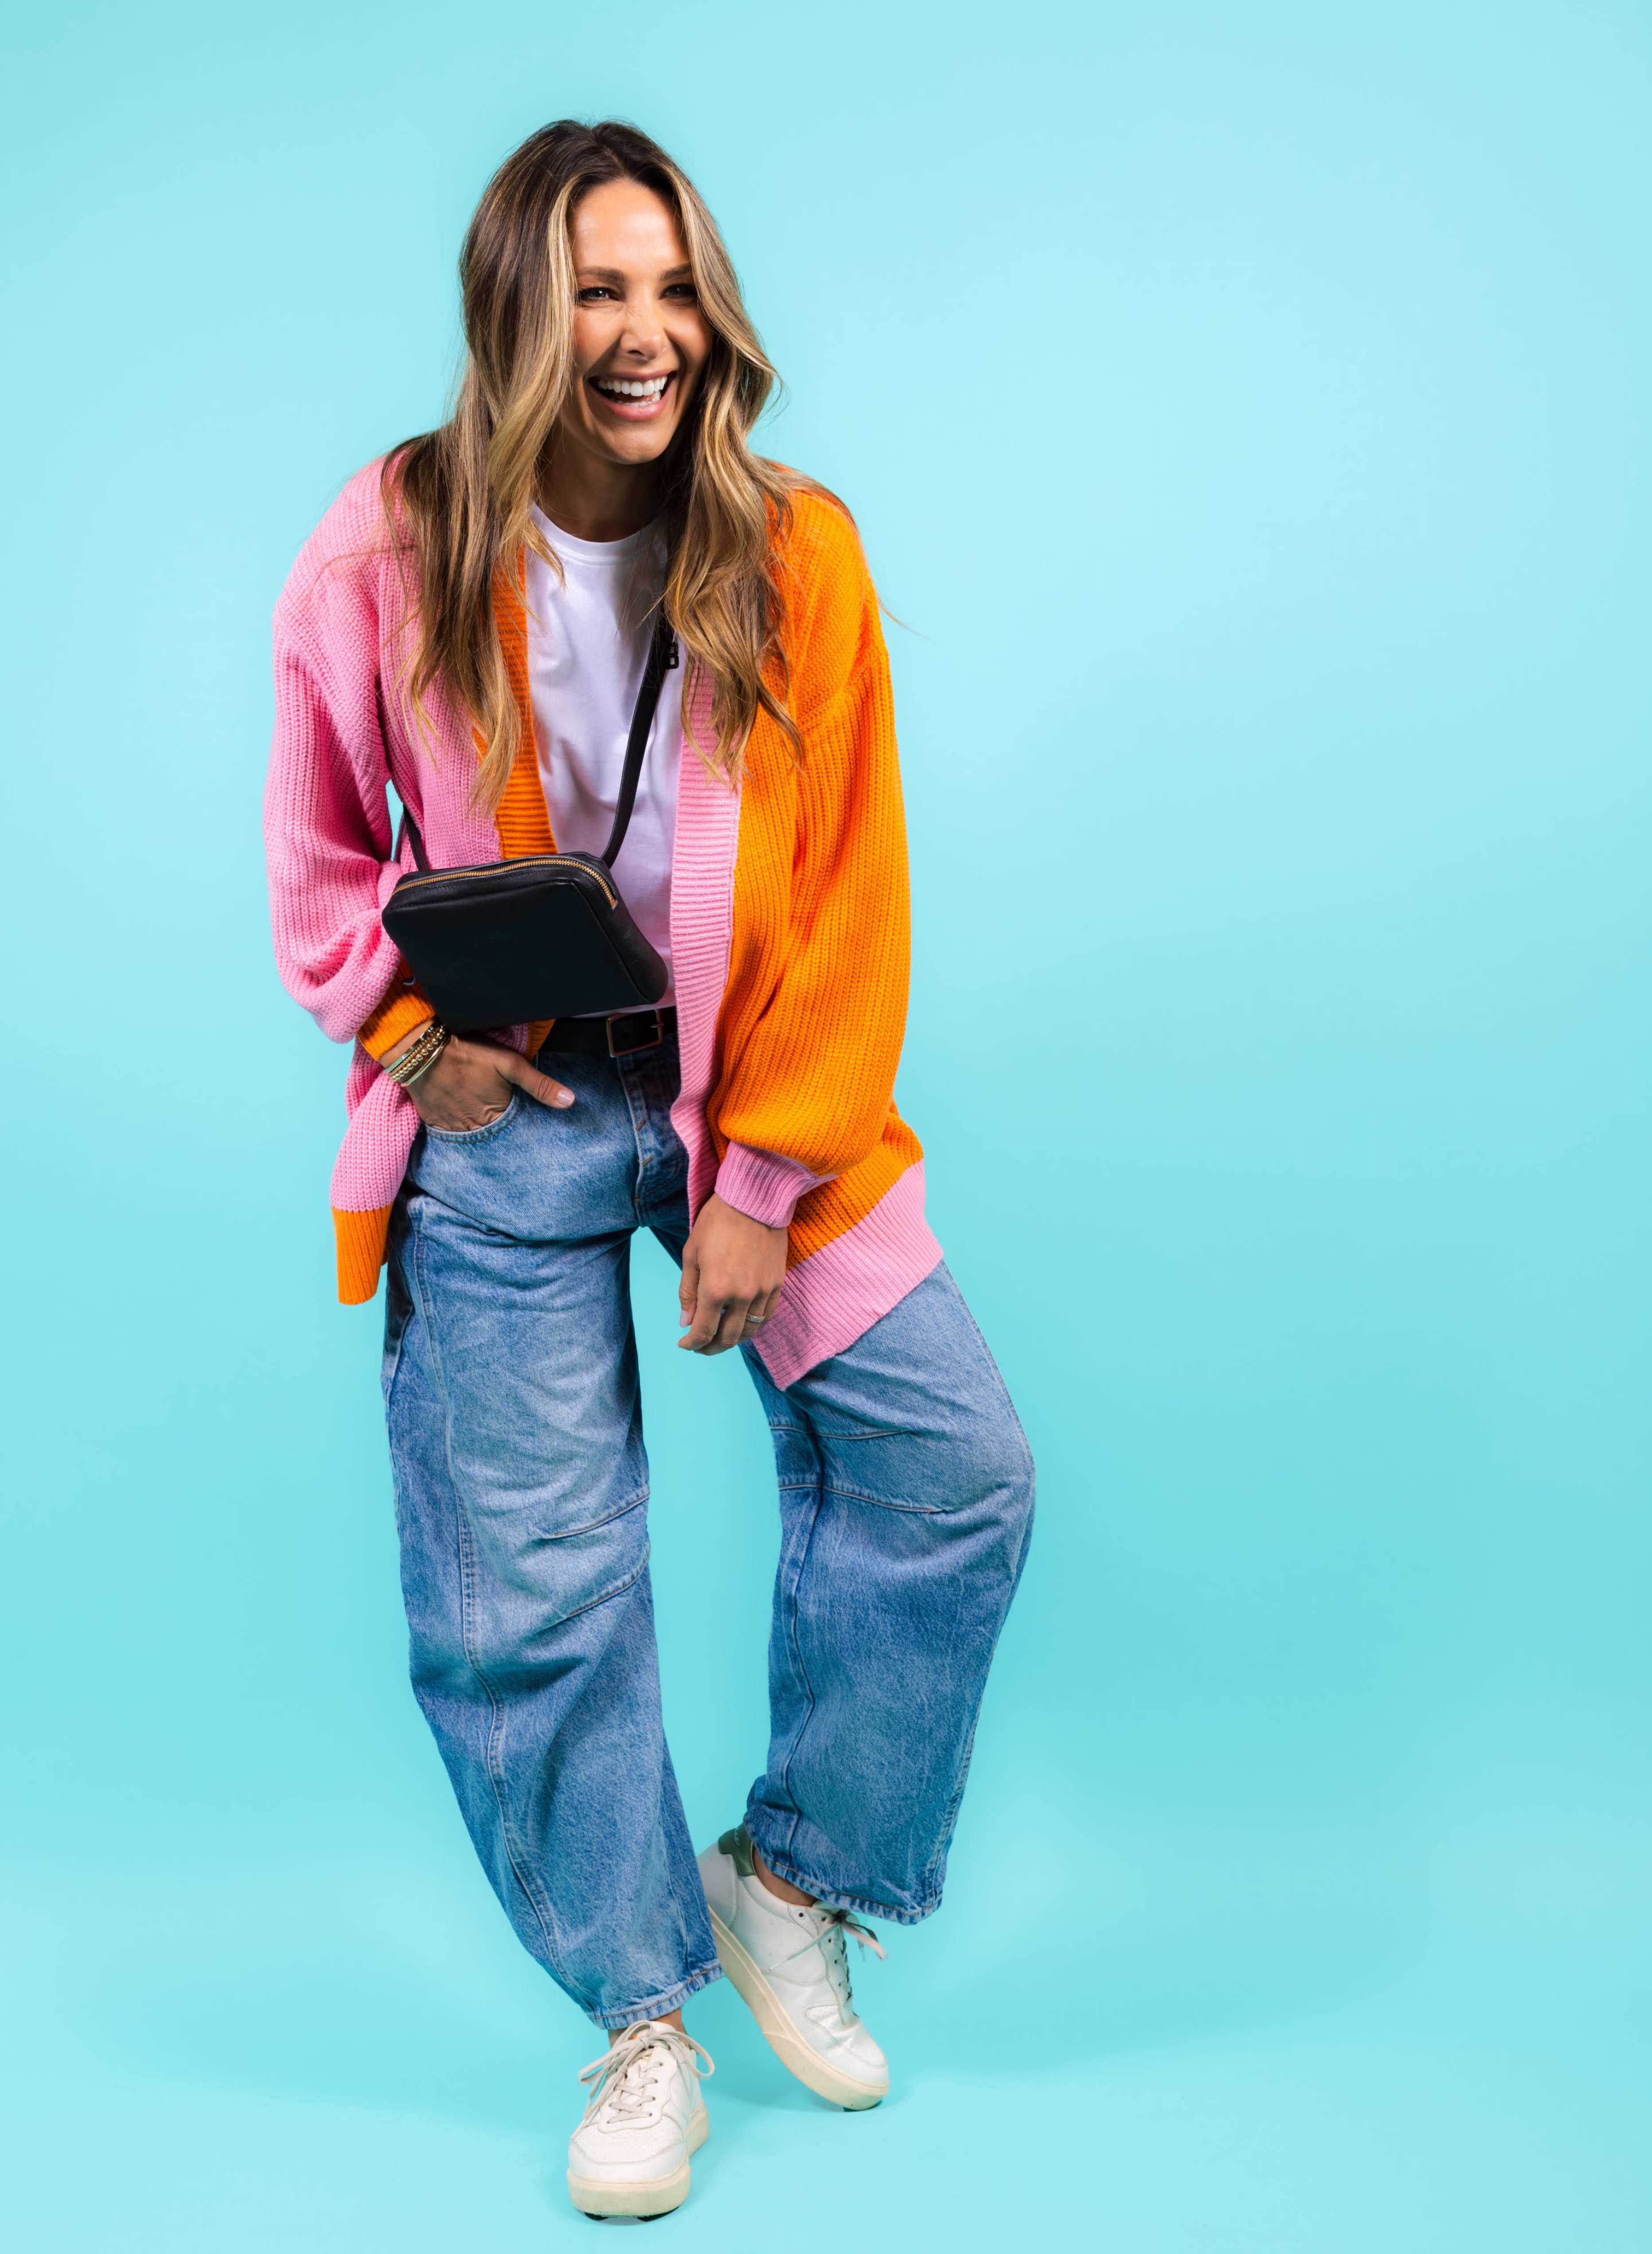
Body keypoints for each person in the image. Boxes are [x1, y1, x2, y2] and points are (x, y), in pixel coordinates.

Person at [264, 118, 1034, 2221]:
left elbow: (850, 894)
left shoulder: (798, 555)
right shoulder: (382, 552)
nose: (646, 332)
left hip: (746, 1096)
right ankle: (639, 2014)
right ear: (519, 308)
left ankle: (793, 1876)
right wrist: (422, 1043)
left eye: (673, 284)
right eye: (600, 288)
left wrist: (761, 1183)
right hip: (502, 1105)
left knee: (953, 1468)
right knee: (532, 1585)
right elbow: (322, 860)